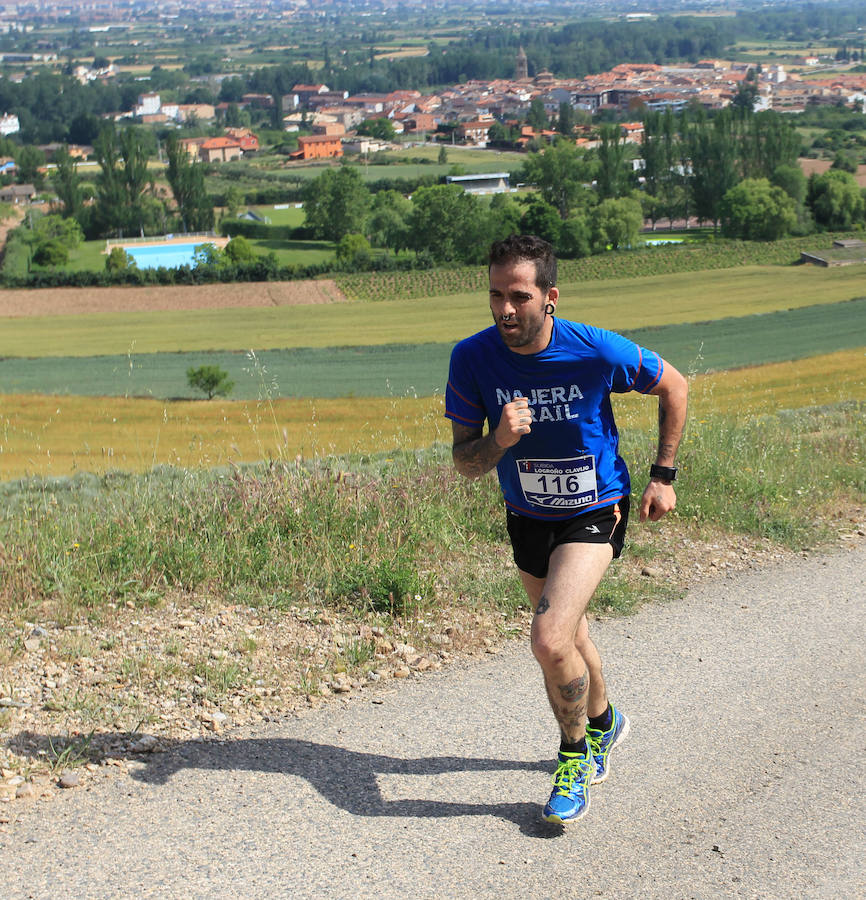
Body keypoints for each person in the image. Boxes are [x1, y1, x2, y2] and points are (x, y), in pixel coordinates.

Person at [445, 234, 688, 824]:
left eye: (520, 297)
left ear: (549, 297)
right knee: (570, 632)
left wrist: (663, 475)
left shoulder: (595, 350)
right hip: (528, 514)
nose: (505, 309)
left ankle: (573, 759)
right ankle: (607, 722)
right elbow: (464, 463)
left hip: (594, 506)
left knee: (549, 639)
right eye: (496, 295)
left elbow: (674, 385)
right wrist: (499, 440)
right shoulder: (471, 358)